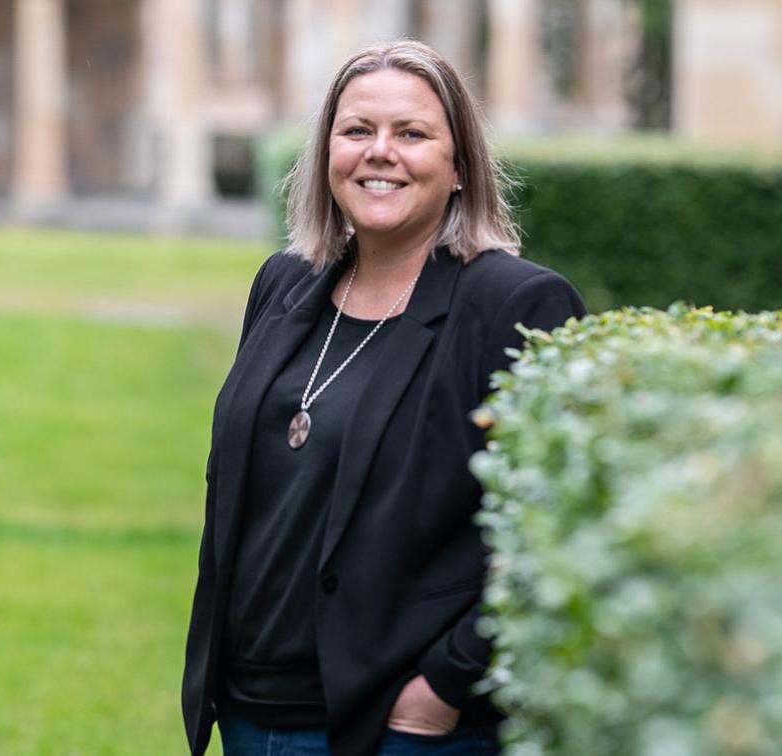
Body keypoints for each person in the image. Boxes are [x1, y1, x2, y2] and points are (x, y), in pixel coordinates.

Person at [182, 40, 586, 756]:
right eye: (357, 131)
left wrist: (445, 685)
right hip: (249, 710)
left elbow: (556, 527)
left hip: (395, 727)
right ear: (325, 152)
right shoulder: (284, 283)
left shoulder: (514, 302)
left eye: (412, 134)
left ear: (459, 167)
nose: (380, 153)